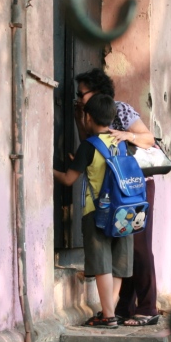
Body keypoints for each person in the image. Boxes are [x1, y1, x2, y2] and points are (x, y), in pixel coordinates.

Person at [73, 69, 160, 327]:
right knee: (122, 246)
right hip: (110, 189)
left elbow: (149, 138)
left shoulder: (120, 110)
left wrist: (127, 135)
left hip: (134, 185)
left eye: (82, 93)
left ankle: (148, 307)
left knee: (139, 246)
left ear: (98, 91)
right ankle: (122, 307)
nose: (79, 98)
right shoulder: (86, 115)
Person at [54, 93, 134, 328]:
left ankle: (108, 316)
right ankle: (108, 311)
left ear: (88, 117)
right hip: (125, 209)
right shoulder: (122, 142)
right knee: (117, 265)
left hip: (97, 211)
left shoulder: (89, 146)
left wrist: (50, 170)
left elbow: (69, 179)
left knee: (101, 264)